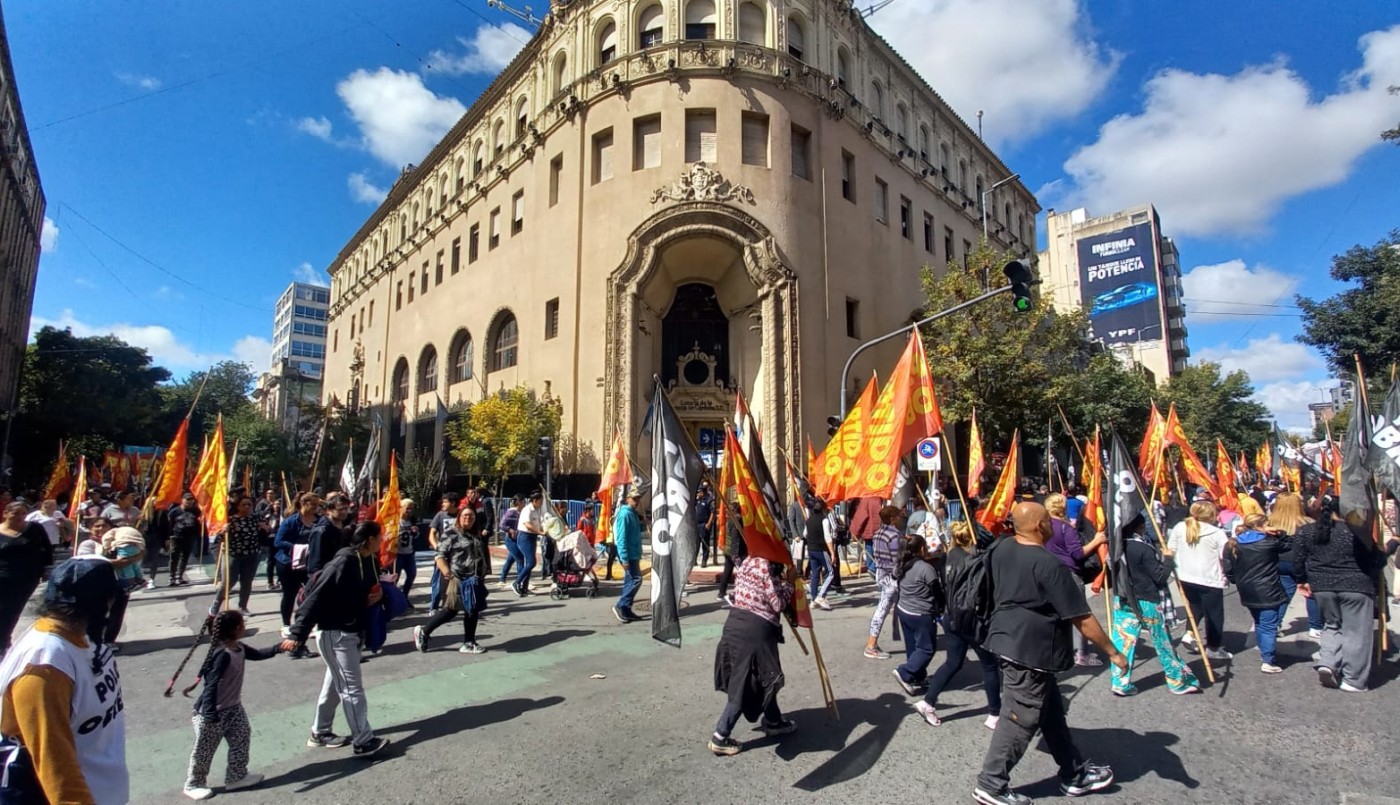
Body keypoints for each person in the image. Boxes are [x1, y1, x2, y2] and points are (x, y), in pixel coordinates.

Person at [974, 502, 1125, 805]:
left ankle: (1073, 773)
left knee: (1050, 711)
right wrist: (1113, 652)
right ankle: (991, 784)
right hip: (1029, 649)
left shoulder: (1002, 548)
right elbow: (1081, 618)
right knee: (1019, 718)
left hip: (1007, 640)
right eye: (1049, 522)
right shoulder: (1048, 564)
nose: (1052, 526)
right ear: (1041, 527)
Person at [0, 558, 127, 803]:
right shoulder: (44, 666)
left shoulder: (83, 638)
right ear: (102, 603)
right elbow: (52, 758)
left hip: (104, 790)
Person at [279, 521, 390, 757]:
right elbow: (316, 596)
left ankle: (320, 732)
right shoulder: (344, 561)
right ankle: (363, 740)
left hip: (351, 630)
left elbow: (363, 590)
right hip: (336, 633)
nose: (383, 540)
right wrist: (298, 633)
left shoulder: (368, 559)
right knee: (351, 688)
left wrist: (377, 594)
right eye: (380, 536)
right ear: (369, 539)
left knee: (334, 685)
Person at [1296, 499, 1399, 692]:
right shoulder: (1356, 533)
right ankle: (1353, 679)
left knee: (1331, 625)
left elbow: (1298, 559)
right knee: (1357, 633)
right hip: (1356, 586)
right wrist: (1392, 545)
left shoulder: (1307, 531)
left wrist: (1302, 579)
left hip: (1322, 585)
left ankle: (1328, 661)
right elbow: (1377, 560)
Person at [180, 610, 278, 800]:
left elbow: (258, 654)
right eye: (242, 624)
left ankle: (237, 776)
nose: (244, 626)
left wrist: (280, 647)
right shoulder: (222, 655)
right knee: (204, 750)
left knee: (241, 738)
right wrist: (209, 714)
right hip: (212, 713)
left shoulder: (238, 647)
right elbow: (211, 685)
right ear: (235, 629)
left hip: (233, 708)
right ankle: (193, 784)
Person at [707, 554, 797, 756]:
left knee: (762, 678)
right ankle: (721, 735)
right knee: (745, 683)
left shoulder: (747, 561)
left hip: (735, 624)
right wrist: (790, 584)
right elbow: (777, 604)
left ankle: (774, 721)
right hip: (754, 632)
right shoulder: (765, 565)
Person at [915, 521, 1000, 729]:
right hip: (972, 618)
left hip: (951, 616)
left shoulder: (947, 557)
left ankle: (928, 702)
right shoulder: (976, 560)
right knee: (989, 665)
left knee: (953, 662)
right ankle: (994, 713)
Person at [1107, 514, 1200, 696]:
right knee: (1162, 641)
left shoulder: (1115, 548)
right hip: (1146, 599)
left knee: (1123, 641)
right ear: (1140, 527)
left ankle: (1120, 681)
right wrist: (1167, 560)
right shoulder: (1143, 548)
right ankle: (1177, 680)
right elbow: (1159, 576)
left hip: (1124, 597)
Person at [413, 507, 490, 654]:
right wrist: (449, 575)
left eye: (472, 516)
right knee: (450, 611)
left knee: (472, 610)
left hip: (473, 579)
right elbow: (439, 556)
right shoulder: (451, 533)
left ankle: (469, 642)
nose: (468, 518)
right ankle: (424, 631)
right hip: (456, 578)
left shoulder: (475, 534)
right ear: (459, 517)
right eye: (465, 515)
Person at [1044, 493, 1107, 667]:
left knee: (1055, 615)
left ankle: (1054, 652)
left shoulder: (1042, 526)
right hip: (1069, 574)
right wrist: (1096, 541)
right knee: (1080, 615)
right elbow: (1077, 553)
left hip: (1049, 573)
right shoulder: (1066, 528)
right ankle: (1083, 654)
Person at [1222, 513, 1288, 674]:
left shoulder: (1233, 543)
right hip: (1268, 587)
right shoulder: (1269, 542)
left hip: (1246, 588)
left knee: (1259, 621)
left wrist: (1236, 580)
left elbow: (1228, 567)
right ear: (1261, 525)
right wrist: (1280, 532)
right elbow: (1290, 544)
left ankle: (1264, 649)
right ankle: (1268, 660)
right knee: (1268, 625)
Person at [1168, 501, 1232, 661]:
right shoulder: (1217, 533)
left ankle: (1190, 633)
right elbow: (1225, 556)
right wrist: (1228, 575)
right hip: (1209, 578)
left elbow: (1171, 549)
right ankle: (1213, 647)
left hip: (1185, 575)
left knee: (1195, 607)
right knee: (1214, 614)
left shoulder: (1180, 527)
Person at [0, 500, 55, 657]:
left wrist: (47, 568)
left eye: (23, 513)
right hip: (3, 577)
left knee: (12, 611)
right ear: (5, 513)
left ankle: (4, 641)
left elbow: (46, 548)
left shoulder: (35, 529)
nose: (19, 516)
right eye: (15, 513)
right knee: (3, 610)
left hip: (27, 578)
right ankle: (3, 642)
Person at [892, 534, 942, 696]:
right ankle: (905, 672)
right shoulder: (925, 568)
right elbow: (937, 592)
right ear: (921, 549)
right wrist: (942, 608)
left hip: (904, 609)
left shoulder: (901, 564)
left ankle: (917, 676)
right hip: (921, 612)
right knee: (927, 648)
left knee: (913, 646)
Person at [1267, 492, 1322, 637]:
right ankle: (1315, 627)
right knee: (1311, 593)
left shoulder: (1269, 523)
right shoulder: (1309, 523)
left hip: (1280, 563)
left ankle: (1276, 624)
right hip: (1304, 562)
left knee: (1283, 595)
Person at [272, 493, 320, 642]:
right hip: (288, 564)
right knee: (289, 594)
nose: (316, 508)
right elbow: (278, 541)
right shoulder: (291, 522)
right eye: (313, 504)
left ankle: (308, 622)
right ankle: (286, 624)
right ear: (304, 504)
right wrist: (298, 548)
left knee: (313, 592)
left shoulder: (319, 521)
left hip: (309, 564)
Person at [863, 505, 905, 660]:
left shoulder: (878, 533)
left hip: (881, 573)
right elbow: (897, 560)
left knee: (887, 607)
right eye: (899, 516)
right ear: (893, 519)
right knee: (883, 609)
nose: (902, 519)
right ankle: (871, 645)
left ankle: (873, 643)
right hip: (891, 577)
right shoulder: (894, 536)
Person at [212, 496, 265, 614]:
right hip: (233, 555)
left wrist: (266, 528)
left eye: (249, 504)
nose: (247, 507)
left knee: (247, 582)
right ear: (238, 507)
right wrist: (223, 530)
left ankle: (243, 606)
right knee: (228, 582)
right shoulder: (230, 520)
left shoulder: (255, 519)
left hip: (252, 554)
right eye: (244, 504)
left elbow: (267, 530)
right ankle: (216, 604)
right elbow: (218, 539)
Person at [613, 489, 645, 623]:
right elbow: (621, 538)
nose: (636, 501)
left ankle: (626, 609)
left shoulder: (633, 514)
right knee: (636, 580)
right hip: (628, 554)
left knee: (630, 581)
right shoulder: (625, 514)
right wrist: (624, 558)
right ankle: (621, 605)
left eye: (637, 499)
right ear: (627, 499)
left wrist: (644, 523)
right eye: (633, 498)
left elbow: (635, 531)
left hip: (634, 553)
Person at [427, 493, 461, 610]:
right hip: (443, 553)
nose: (443, 504)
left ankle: (454, 604)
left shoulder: (461, 514)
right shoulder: (440, 515)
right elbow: (431, 534)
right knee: (438, 579)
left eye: (445, 502)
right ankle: (433, 606)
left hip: (458, 553)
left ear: (453, 503)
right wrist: (437, 547)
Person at [307, 492, 352, 575]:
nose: (344, 512)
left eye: (346, 508)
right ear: (329, 511)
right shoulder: (321, 530)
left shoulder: (345, 527)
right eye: (340, 509)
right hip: (325, 576)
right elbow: (315, 562)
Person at [803, 498, 836, 610]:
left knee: (815, 574)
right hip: (821, 549)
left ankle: (813, 599)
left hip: (811, 550)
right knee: (831, 573)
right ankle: (821, 596)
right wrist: (832, 552)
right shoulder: (824, 520)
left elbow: (805, 534)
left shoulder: (808, 520)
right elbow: (828, 537)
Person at [167, 493, 203, 586]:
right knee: (174, 557)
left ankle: (180, 576)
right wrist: (168, 537)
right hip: (176, 537)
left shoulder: (195, 511)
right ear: (182, 500)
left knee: (185, 557)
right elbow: (169, 525)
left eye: (191, 500)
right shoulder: (174, 512)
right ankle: (172, 577)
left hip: (190, 537)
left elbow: (199, 521)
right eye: (187, 500)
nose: (190, 502)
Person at [515, 490, 545, 595]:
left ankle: (524, 588)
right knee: (532, 562)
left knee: (529, 563)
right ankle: (517, 582)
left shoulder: (537, 511)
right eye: (541, 501)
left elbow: (539, 525)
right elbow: (528, 525)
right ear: (535, 500)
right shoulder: (527, 510)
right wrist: (540, 532)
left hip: (532, 537)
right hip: (525, 537)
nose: (542, 503)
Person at [255, 490, 282, 590]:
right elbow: (258, 516)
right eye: (268, 493)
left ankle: (279, 580)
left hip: (279, 540)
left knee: (279, 560)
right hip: (269, 539)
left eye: (279, 504)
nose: (277, 506)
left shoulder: (283, 515)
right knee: (269, 560)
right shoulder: (263, 507)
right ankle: (270, 582)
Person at [394, 498, 419, 602]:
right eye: (407, 508)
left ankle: (405, 596)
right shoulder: (395, 520)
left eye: (411, 509)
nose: (409, 511)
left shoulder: (412, 520)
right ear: (401, 508)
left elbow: (415, 536)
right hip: (397, 554)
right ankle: (394, 598)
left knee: (412, 574)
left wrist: (415, 532)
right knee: (395, 577)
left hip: (409, 553)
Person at [497, 496, 524, 587]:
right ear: (519, 502)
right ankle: (521, 581)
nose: (524, 503)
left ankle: (502, 578)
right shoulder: (511, 512)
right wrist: (511, 530)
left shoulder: (520, 513)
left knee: (510, 559)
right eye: (523, 501)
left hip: (518, 539)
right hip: (511, 540)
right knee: (520, 559)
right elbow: (502, 524)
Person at [695, 482, 716, 567]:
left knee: (705, 543)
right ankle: (694, 560)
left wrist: (708, 524)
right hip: (696, 524)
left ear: (702, 492)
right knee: (696, 543)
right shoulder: (697, 500)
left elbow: (712, 513)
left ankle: (704, 560)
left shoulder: (709, 500)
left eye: (699, 492)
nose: (697, 494)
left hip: (704, 524)